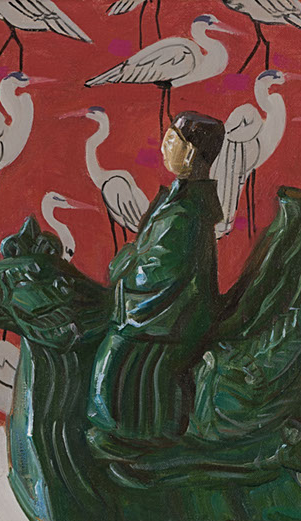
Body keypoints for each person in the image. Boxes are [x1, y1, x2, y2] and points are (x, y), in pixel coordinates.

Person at [88, 111, 226, 448]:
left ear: (190, 153)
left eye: (171, 141)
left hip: (174, 313)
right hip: (166, 306)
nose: (163, 147)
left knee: (115, 351)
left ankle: (125, 433)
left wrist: (125, 264)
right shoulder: (177, 200)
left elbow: (159, 270)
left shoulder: (185, 213)